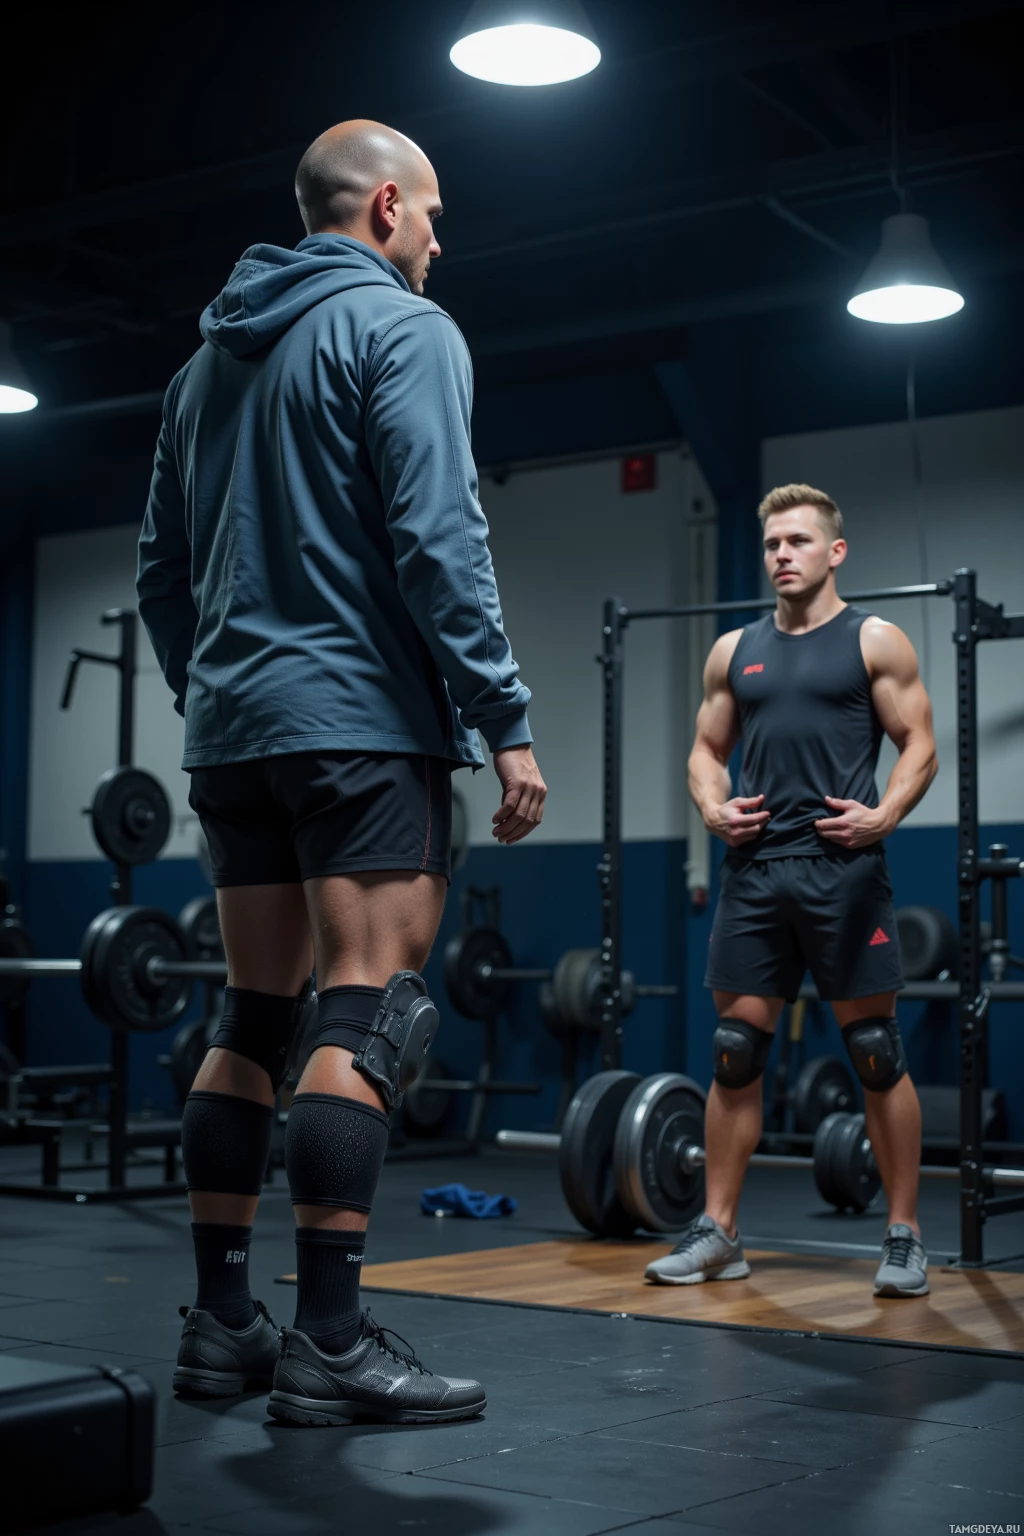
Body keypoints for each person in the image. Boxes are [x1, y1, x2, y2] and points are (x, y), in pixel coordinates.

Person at [137, 119, 546, 1426]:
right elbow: (439, 536)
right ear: (382, 207)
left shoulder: (204, 363)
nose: (440, 236)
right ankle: (328, 1339)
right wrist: (503, 714)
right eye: (431, 212)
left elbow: (161, 567)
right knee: (364, 1017)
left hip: (232, 737)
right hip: (363, 723)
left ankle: (220, 1326)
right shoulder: (405, 329)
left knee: (253, 1020)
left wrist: (215, 698)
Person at [646, 483, 936, 1298]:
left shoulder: (874, 641)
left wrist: (884, 815)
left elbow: (919, 744)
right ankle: (719, 1232)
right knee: (735, 1053)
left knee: (875, 1053)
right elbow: (705, 752)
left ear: (834, 552)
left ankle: (905, 1234)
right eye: (774, 543)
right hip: (756, 873)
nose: (781, 554)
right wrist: (710, 804)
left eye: (799, 541)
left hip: (843, 871)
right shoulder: (733, 650)